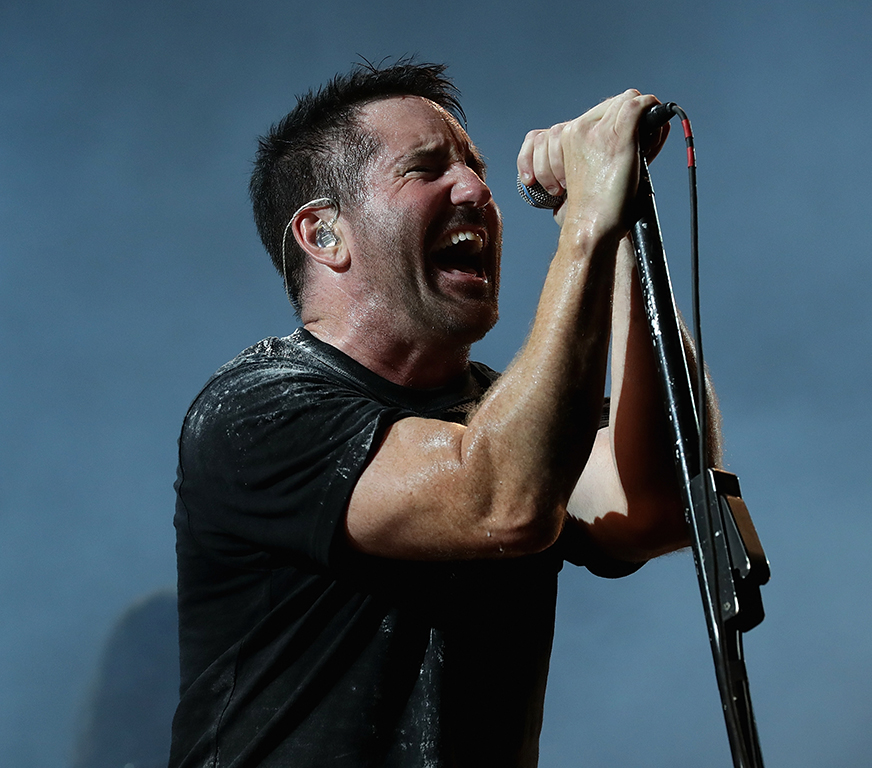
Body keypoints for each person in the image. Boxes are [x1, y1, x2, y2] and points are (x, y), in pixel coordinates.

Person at [170, 60, 721, 768]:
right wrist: (584, 221)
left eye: (475, 166)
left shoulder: (510, 413)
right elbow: (499, 498)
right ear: (324, 235)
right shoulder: (255, 409)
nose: (475, 190)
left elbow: (663, 506)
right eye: (426, 169)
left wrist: (621, 229)